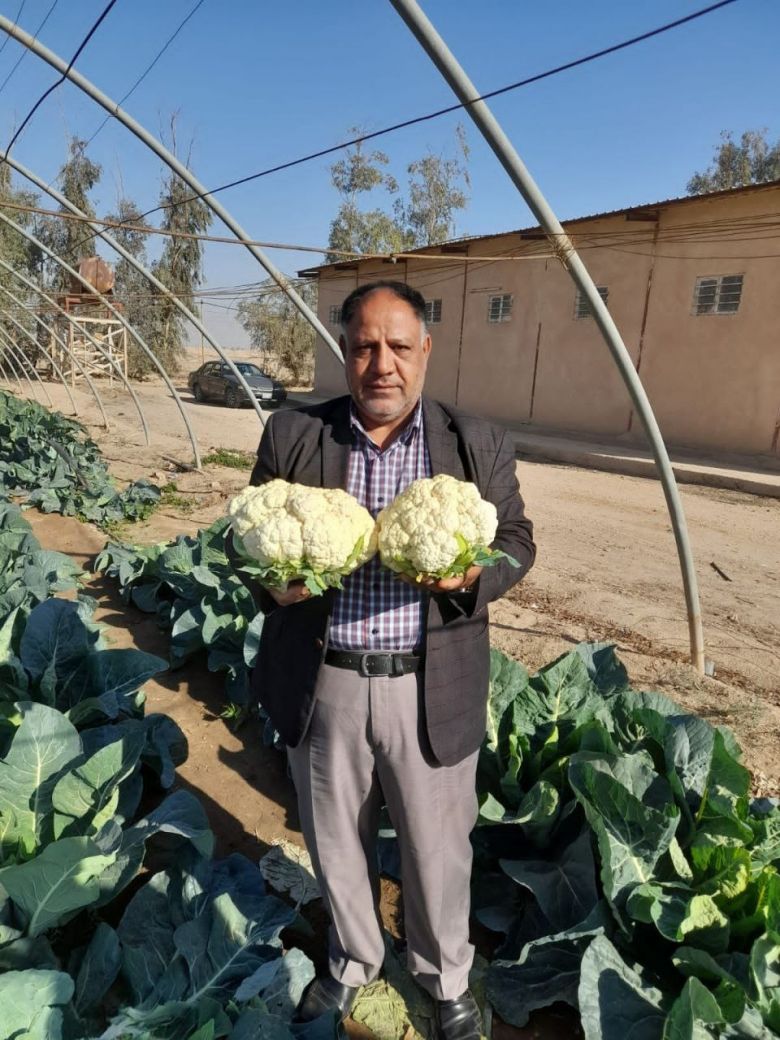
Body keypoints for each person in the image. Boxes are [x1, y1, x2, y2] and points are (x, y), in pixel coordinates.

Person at [238, 281, 535, 1040]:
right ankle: (352, 962)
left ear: (424, 351)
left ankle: (446, 978)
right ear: (345, 352)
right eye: (365, 346)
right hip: (326, 679)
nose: (383, 364)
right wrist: (273, 583)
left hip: (426, 683)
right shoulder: (294, 434)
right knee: (336, 841)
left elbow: (517, 541)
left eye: (399, 346)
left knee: (437, 852)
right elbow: (248, 539)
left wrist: (471, 577)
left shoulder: (476, 442)